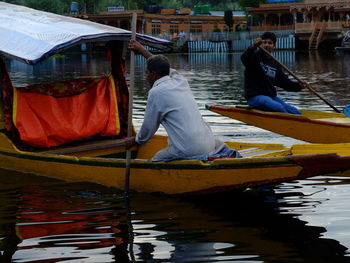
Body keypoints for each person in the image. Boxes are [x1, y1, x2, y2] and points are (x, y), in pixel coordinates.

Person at [125, 40, 239, 162]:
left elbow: (148, 128)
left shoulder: (156, 92)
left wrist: (136, 140)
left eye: (147, 73)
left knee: (156, 160)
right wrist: (142, 51)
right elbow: (164, 67)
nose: (146, 77)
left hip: (188, 149)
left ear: (153, 74)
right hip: (209, 143)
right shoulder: (180, 80)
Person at [241, 31, 309, 114]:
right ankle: (289, 125)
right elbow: (244, 58)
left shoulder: (275, 63)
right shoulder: (253, 56)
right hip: (254, 97)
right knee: (279, 107)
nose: (266, 45)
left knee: (294, 111)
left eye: (270, 43)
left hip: (270, 97)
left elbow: (284, 82)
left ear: (274, 45)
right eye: (264, 42)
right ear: (260, 44)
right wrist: (253, 47)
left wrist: (299, 86)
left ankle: (301, 125)